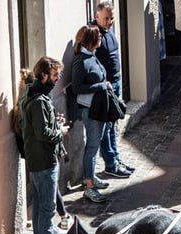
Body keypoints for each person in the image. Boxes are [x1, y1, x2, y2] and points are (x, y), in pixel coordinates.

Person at [20, 56, 69, 234]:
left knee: (40, 207)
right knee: (47, 210)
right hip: (44, 160)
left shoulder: (34, 94)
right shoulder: (38, 100)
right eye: (55, 74)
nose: (58, 78)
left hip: (37, 159)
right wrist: (60, 130)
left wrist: (53, 123)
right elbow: (42, 133)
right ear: (44, 75)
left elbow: (39, 126)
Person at [92, 1, 134, 178]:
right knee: (106, 126)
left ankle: (116, 158)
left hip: (116, 82)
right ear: (97, 17)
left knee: (113, 125)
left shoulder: (109, 31)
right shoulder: (93, 34)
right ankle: (110, 163)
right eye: (106, 18)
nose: (109, 21)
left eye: (112, 18)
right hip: (106, 86)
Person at [72, 25, 112, 203]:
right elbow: (76, 87)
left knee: (95, 144)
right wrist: (101, 86)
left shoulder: (92, 56)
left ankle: (91, 176)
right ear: (91, 41)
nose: (101, 39)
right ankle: (88, 185)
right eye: (98, 37)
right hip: (90, 109)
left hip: (99, 107)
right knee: (92, 146)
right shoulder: (81, 61)